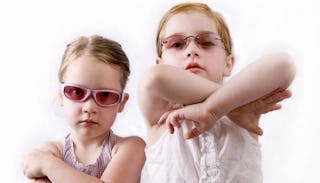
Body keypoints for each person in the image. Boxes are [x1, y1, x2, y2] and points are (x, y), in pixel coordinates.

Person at [138, 2, 295, 183]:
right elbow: (153, 79)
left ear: (228, 64)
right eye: (177, 44)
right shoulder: (161, 115)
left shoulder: (246, 108)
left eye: (206, 43)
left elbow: (284, 65)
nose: (192, 50)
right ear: (160, 63)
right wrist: (237, 106)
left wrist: (212, 109)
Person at [23, 35, 146, 183]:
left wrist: (49, 165)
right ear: (61, 96)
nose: (89, 107)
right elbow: (32, 164)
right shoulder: (49, 151)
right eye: (77, 92)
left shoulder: (130, 148)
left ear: (121, 102)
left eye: (105, 95)